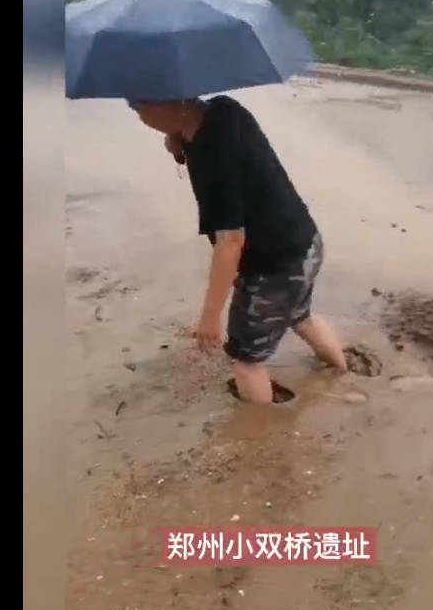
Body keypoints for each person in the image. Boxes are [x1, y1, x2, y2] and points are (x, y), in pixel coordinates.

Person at [129, 95, 349, 403]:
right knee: (301, 317)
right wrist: (177, 139)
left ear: (165, 105)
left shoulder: (211, 159)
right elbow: (208, 138)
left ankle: (258, 440)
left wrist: (210, 317)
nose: (139, 118)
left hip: (273, 268)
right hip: (304, 244)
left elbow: (231, 241)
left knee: (245, 362)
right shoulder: (224, 108)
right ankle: (343, 373)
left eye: (138, 108)